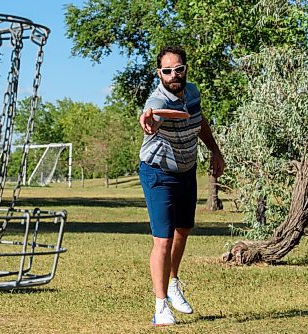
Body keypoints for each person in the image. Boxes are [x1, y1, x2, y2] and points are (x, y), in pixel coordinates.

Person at [138, 45, 225, 326]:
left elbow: (200, 123)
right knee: (162, 239)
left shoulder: (193, 93)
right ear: (159, 73)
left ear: (185, 69)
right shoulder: (157, 99)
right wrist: (148, 123)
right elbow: (149, 119)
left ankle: (173, 282)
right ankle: (160, 306)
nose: (173, 75)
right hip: (158, 171)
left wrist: (215, 151)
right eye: (167, 71)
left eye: (178, 69)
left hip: (186, 169)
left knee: (183, 231)